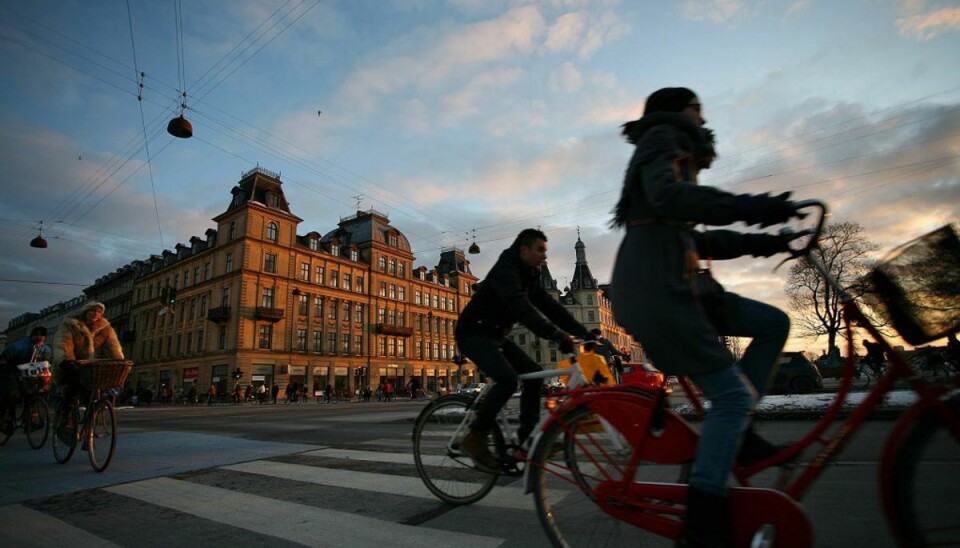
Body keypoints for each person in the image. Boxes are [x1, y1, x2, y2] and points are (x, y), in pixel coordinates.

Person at [609, 87, 807, 547]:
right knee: (732, 398)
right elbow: (671, 199)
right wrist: (749, 207)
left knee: (773, 323)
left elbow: (697, 239)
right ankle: (704, 520)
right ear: (681, 111)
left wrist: (767, 239)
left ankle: (740, 433)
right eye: (698, 108)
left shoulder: (672, 150)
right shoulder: (662, 138)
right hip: (660, 292)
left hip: (682, 288)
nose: (704, 117)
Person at [455, 228, 591, 471]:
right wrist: (555, 334)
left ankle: (526, 441)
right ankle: (474, 437)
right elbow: (521, 308)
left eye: (545, 250)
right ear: (524, 249)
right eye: (540, 249)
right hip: (473, 333)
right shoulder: (506, 271)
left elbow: (550, 306)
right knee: (507, 380)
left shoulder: (528, 274)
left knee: (534, 375)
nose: (544, 255)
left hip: (495, 335)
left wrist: (584, 333)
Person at [55, 301, 124, 404]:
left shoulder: (106, 329)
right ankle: (67, 414)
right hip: (74, 366)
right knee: (72, 392)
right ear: (85, 312)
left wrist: (119, 361)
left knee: (95, 395)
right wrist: (67, 360)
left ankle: (93, 414)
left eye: (99, 312)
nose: (96, 313)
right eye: (92, 311)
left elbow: (113, 346)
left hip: (95, 368)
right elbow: (63, 344)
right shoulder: (71, 326)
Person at [1, 326, 53, 431]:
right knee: (11, 394)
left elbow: (46, 364)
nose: (39, 337)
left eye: (42, 335)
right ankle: (5, 419)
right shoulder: (19, 346)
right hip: (13, 371)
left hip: (31, 373)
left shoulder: (45, 349)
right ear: (31, 336)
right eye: (36, 335)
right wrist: (10, 369)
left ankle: (32, 419)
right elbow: (3, 360)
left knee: (35, 394)